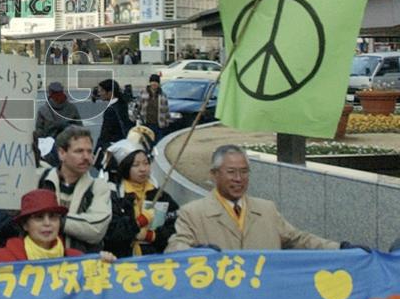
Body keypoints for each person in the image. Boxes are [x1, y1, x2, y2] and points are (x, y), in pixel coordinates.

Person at [167, 145, 343, 252]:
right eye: (231, 172)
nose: (238, 178)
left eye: (244, 172)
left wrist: (340, 248)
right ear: (214, 175)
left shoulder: (267, 210)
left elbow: (299, 240)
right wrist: (195, 253)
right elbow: (174, 248)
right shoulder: (193, 213)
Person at [0, 189, 118, 266]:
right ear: (25, 225)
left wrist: (104, 264)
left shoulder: (77, 259)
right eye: (39, 217)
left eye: (53, 217)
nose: (47, 223)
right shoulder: (1, 259)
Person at [37, 127, 112, 252]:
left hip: (81, 266)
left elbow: (96, 229)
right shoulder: (39, 179)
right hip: (40, 262)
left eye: (89, 151)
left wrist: (52, 220)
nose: (86, 157)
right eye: (79, 151)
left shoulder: (99, 187)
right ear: (62, 153)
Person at [103, 137, 179, 258]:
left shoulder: (159, 194)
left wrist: (152, 236)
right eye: (136, 165)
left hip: (156, 259)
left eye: (146, 163)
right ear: (125, 167)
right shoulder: (115, 195)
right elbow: (111, 233)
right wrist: (139, 222)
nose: (143, 169)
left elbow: (176, 225)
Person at [35, 81, 81, 165]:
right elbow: (80, 128)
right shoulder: (72, 108)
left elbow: (39, 131)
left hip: (50, 148)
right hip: (69, 147)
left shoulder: (43, 110)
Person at [93, 78, 132, 170]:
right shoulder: (123, 104)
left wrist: (96, 152)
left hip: (113, 148)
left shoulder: (110, 110)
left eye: (102, 91)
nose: (100, 93)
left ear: (110, 93)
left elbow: (105, 134)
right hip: (125, 146)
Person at [136, 74, 170, 142]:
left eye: (156, 82)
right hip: (146, 124)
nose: (154, 83)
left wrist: (166, 122)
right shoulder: (143, 93)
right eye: (152, 81)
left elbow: (166, 110)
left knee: (158, 143)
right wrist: (137, 119)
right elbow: (137, 107)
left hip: (159, 125)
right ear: (150, 82)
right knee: (146, 143)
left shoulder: (163, 95)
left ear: (159, 83)